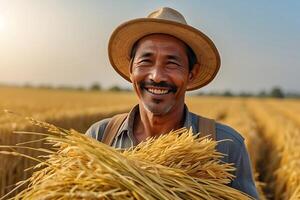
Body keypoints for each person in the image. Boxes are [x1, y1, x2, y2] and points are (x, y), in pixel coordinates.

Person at [86, 7, 259, 199]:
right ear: (131, 70)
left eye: (172, 63)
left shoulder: (225, 146)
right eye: (146, 61)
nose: (157, 76)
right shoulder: (100, 138)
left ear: (190, 74)